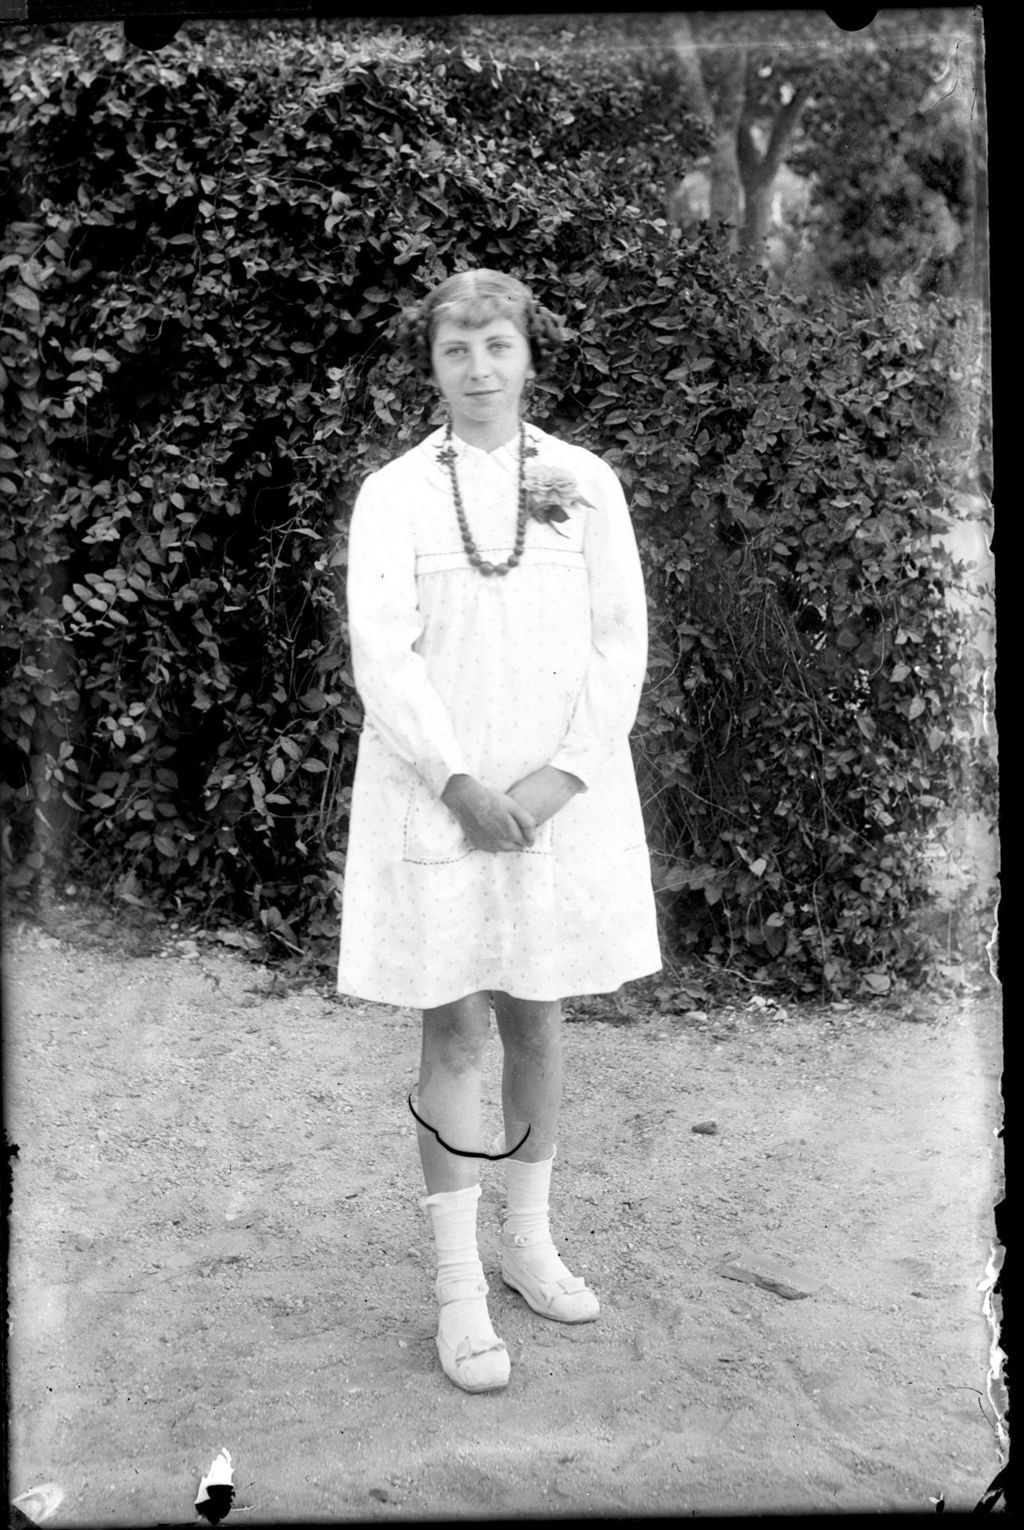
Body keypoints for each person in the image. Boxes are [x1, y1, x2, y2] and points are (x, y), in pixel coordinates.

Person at [337, 269, 661, 1393]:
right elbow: (382, 650)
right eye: (456, 351)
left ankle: (525, 1243)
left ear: (529, 354)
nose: (479, 369)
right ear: (431, 367)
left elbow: (620, 640)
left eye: (497, 347)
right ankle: (456, 1291)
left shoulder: (585, 482)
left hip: (552, 801)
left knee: (536, 1019)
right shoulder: (392, 493)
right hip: (441, 798)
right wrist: (460, 780)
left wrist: (561, 777)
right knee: (453, 1036)